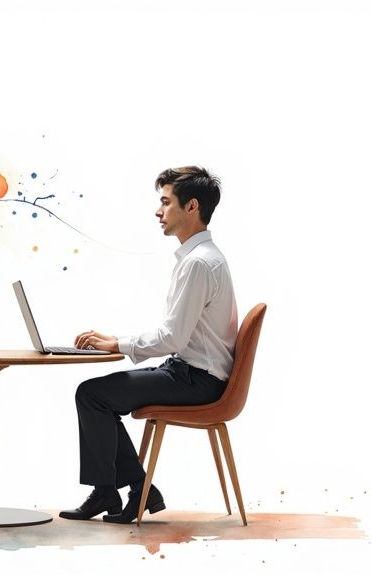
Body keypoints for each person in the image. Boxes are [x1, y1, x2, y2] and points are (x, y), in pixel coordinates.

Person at [61, 166, 238, 524]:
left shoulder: (199, 264)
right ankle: (134, 488)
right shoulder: (200, 259)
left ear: (192, 207)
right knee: (97, 394)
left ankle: (115, 490)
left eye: (165, 202)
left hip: (197, 380)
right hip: (190, 371)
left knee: (93, 395)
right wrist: (120, 344)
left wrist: (117, 343)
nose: (158, 211)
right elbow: (176, 336)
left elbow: (172, 338)